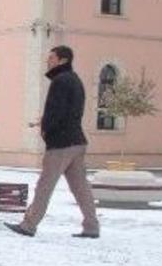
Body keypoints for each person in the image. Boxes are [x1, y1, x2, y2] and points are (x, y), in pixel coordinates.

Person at [6, 45, 100, 239]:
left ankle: (28, 225)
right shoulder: (75, 80)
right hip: (77, 141)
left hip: (61, 144)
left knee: (44, 186)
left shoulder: (60, 81)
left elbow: (55, 112)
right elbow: (70, 111)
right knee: (81, 188)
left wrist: (46, 129)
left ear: (62, 60)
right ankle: (92, 227)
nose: (47, 61)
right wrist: (46, 120)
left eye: (51, 58)